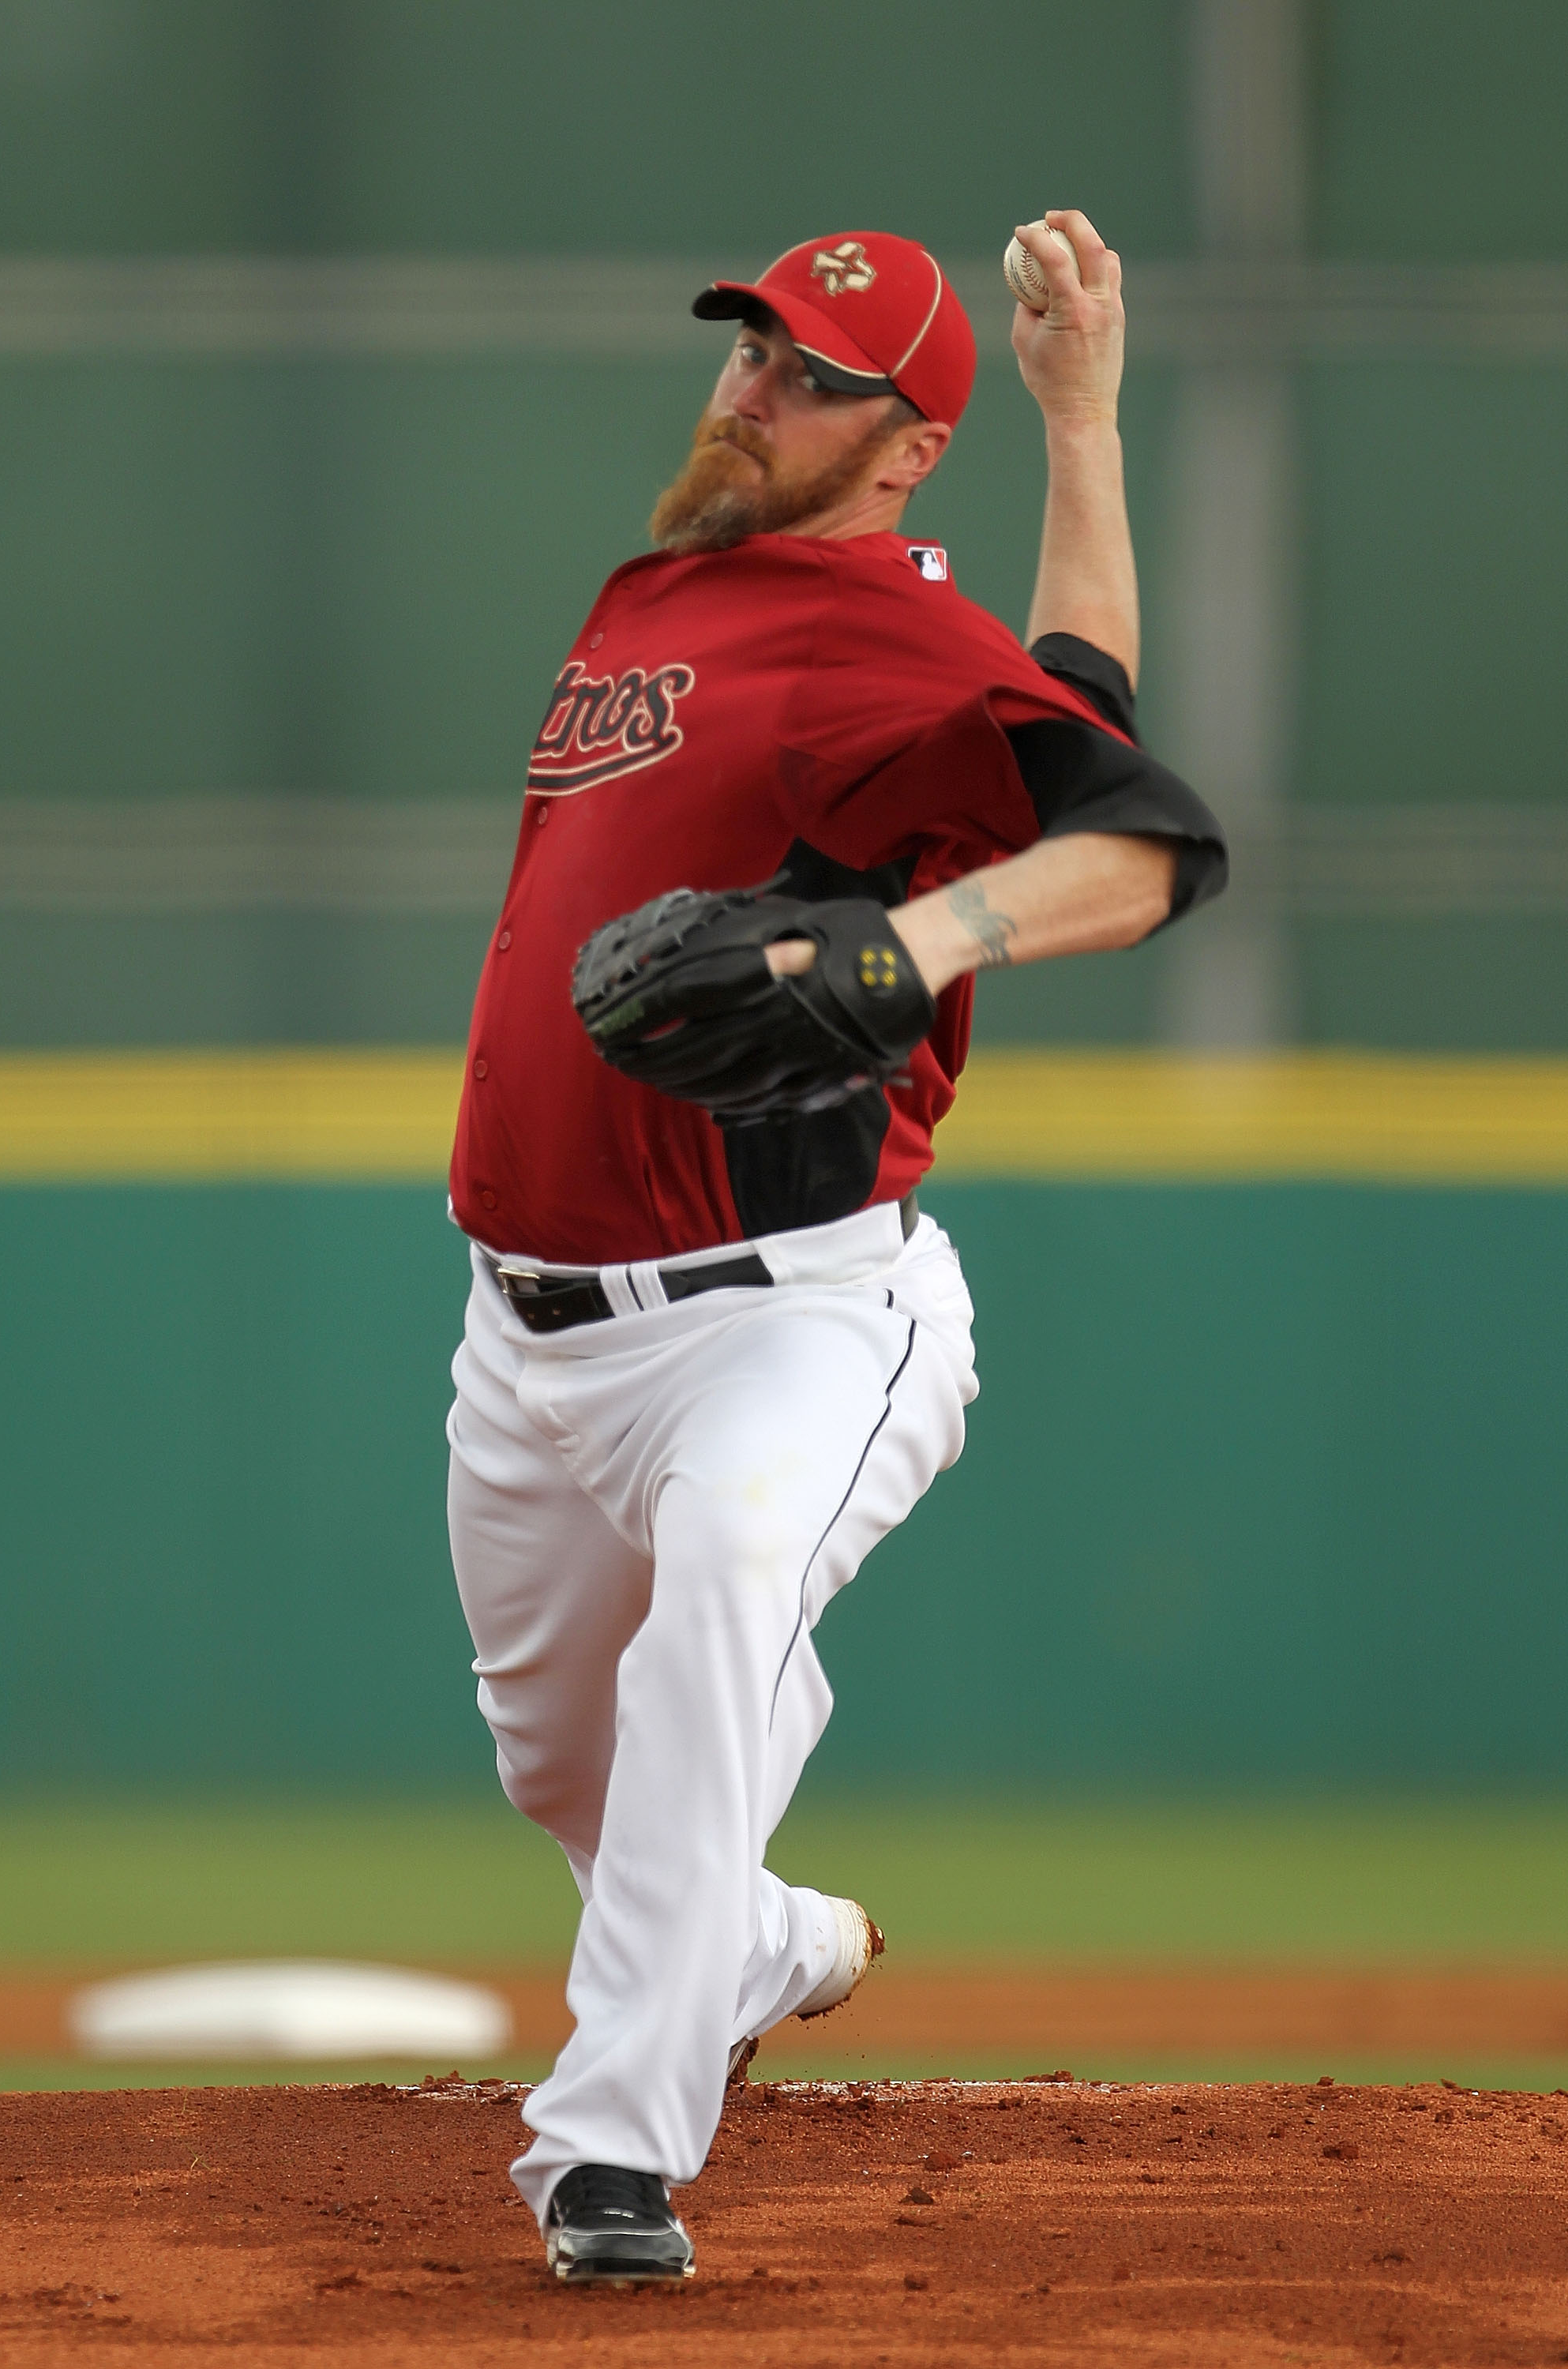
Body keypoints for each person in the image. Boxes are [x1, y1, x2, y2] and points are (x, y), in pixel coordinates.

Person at [445, 215, 1226, 2282]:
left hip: (787, 1317)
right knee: (560, 1768)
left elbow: (1141, 836)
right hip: (522, 1330)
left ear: (900, 449)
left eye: (803, 372)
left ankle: (607, 2159)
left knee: (721, 1597)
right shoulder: (668, 589)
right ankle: (764, 1937)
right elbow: (1068, 686)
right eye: (747, 346)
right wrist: (1083, 428)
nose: (747, 387)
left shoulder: (871, 615)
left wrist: (918, 938)